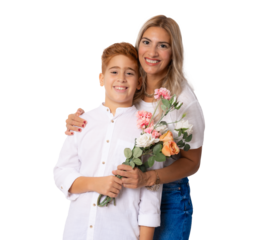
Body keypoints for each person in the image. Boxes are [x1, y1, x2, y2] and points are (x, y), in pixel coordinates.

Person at [64, 12, 206, 240]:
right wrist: (78, 121)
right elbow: (106, 122)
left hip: (168, 194)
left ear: (174, 53)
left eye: (163, 46)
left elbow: (192, 162)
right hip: (129, 194)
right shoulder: (131, 84)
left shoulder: (183, 102)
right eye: (147, 42)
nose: (152, 52)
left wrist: (150, 178)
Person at [53, 41, 164, 240]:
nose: (121, 79)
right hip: (76, 232)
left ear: (139, 82)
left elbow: (151, 197)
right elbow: (61, 172)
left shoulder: (148, 131)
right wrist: (95, 184)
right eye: (114, 72)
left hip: (121, 233)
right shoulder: (81, 122)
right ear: (101, 78)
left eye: (129, 73)